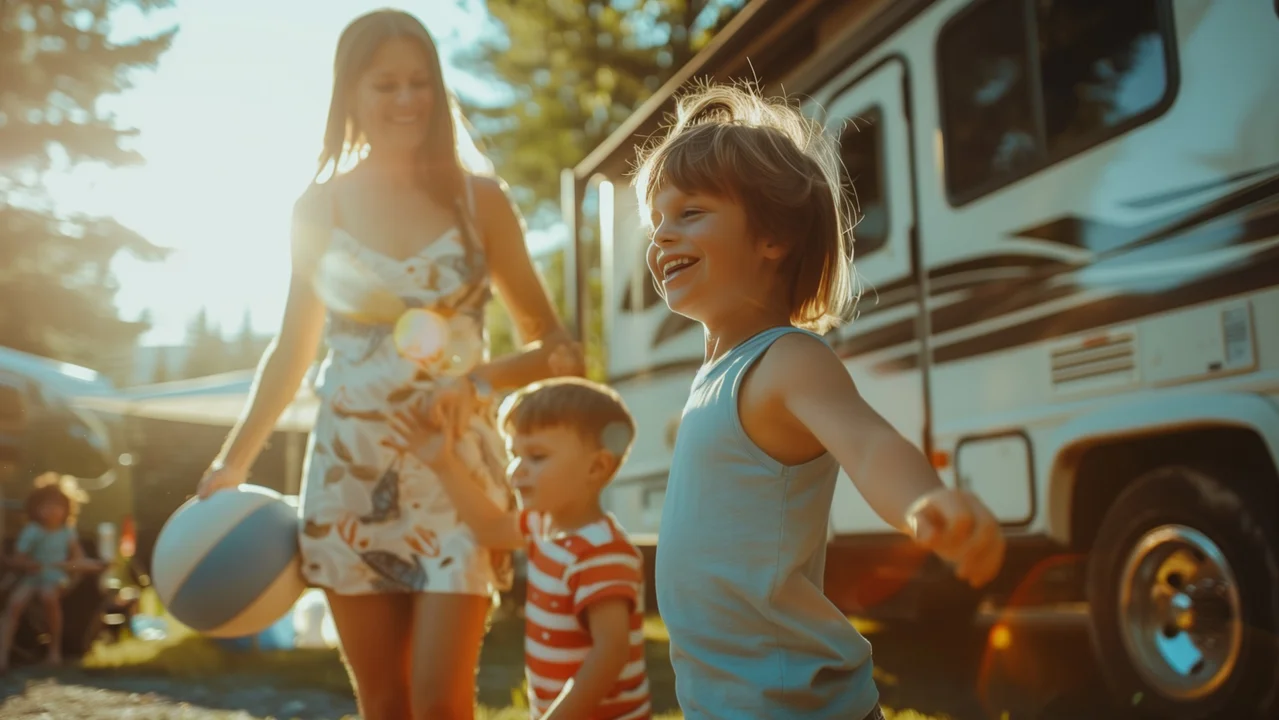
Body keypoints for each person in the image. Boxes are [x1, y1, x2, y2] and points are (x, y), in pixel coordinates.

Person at [194, 9, 582, 719]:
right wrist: (234, 461)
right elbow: (292, 350)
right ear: (350, 94)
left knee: (440, 703)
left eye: (420, 82)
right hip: (348, 474)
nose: (407, 100)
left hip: (455, 476)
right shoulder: (318, 208)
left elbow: (559, 349)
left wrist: (479, 381)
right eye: (386, 85)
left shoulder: (480, 200)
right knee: (383, 703)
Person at [632, 82, 1007, 719]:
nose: (662, 236)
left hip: (796, 706)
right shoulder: (712, 378)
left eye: (690, 213)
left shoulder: (787, 360)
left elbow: (868, 441)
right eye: (657, 220)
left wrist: (924, 501)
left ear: (772, 237)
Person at [388, 377, 652, 720]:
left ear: (597, 467)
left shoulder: (602, 553)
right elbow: (491, 529)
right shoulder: (542, 525)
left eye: (537, 456)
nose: (516, 472)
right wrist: (443, 464)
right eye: (515, 455)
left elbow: (611, 653)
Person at [0, 473, 105, 672]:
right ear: (35, 509)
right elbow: (19, 558)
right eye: (46, 506)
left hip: (54, 577)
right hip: (33, 577)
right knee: (15, 604)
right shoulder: (33, 531)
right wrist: (28, 563)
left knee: (49, 597)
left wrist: (95, 564)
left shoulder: (67, 532)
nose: (52, 511)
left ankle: (54, 652)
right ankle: (2, 656)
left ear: (67, 509)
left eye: (57, 506)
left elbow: (78, 560)